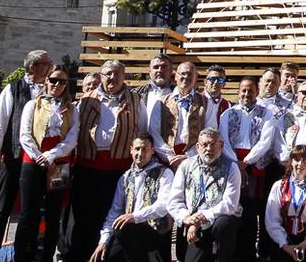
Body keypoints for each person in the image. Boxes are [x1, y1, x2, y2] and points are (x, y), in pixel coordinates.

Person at [63, 60, 142, 262]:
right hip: (88, 167)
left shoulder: (135, 100)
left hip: (120, 170)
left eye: (117, 73)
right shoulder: (85, 100)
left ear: (123, 77)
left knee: (114, 218)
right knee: (83, 219)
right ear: (101, 75)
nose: (112, 78)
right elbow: (73, 132)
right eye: (108, 74)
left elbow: (143, 131)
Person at [0, 48, 53, 262]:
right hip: (14, 156)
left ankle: (26, 254)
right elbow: (0, 122)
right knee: (2, 209)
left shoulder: (51, 90)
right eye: (46, 64)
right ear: (33, 68)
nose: (50, 67)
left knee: (31, 211)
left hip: (37, 159)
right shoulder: (13, 88)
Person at [17, 66, 79, 261]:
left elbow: (72, 138)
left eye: (62, 82)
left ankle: (46, 256)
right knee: (29, 213)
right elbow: (25, 135)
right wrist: (40, 157)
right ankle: (23, 255)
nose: (57, 85)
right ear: (46, 81)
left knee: (53, 215)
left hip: (59, 165)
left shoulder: (71, 108)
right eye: (53, 80)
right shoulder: (32, 105)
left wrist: (52, 155)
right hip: (33, 162)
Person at [221, 77, 279, 262]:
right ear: (238, 92)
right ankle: (234, 252)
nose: (246, 94)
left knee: (253, 210)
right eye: (243, 90)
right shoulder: (228, 114)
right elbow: (223, 140)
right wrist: (236, 163)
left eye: (250, 91)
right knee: (234, 208)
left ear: (257, 91)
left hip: (255, 166)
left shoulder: (266, 113)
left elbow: (265, 141)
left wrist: (246, 162)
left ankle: (252, 253)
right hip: (232, 164)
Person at [92, 133, 173, 262]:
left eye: (145, 149)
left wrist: (135, 217)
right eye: (137, 149)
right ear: (131, 150)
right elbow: (114, 212)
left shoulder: (165, 173)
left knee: (126, 228)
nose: (140, 153)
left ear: (153, 151)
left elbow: (163, 206)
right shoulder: (125, 177)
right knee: (103, 255)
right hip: (129, 230)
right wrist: (103, 242)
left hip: (156, 231)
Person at [167, 128, 242, 262]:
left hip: (218, 221)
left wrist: (201, 218)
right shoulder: (186, 166)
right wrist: (186, 218)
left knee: (224, 224)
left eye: (213, 144)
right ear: (197, 147)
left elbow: (230, 204)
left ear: (221, 145)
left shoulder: (231, 167)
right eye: (204, 145)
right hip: (193, 223)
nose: (208, 149)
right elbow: (174, 200)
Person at [264, 144, 306, 262]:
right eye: (296, 159)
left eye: (304, 160)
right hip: (285, 235)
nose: (300, 164)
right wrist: (285, 245)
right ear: (291, 162)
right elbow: (272, 220)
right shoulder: (279, 186)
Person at [156, 61, 211, 167]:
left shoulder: (206, 102)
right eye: (183, 73)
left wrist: (189, 156)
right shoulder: (162, 102)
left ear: (195, 78)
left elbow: (210, 131)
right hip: (167, 159)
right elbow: (154, 132)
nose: (186, 77)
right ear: (175, 76)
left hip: (195, 158)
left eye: (190, 74)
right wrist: (169, 157)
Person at [134, 54, 174, 140]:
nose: (160, 70)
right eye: (156, 67)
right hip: (145, 148)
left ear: (171, 71)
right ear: (150, 72)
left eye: (164, 67)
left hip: (170, 148)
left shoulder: (178, 94)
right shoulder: (137, 94)